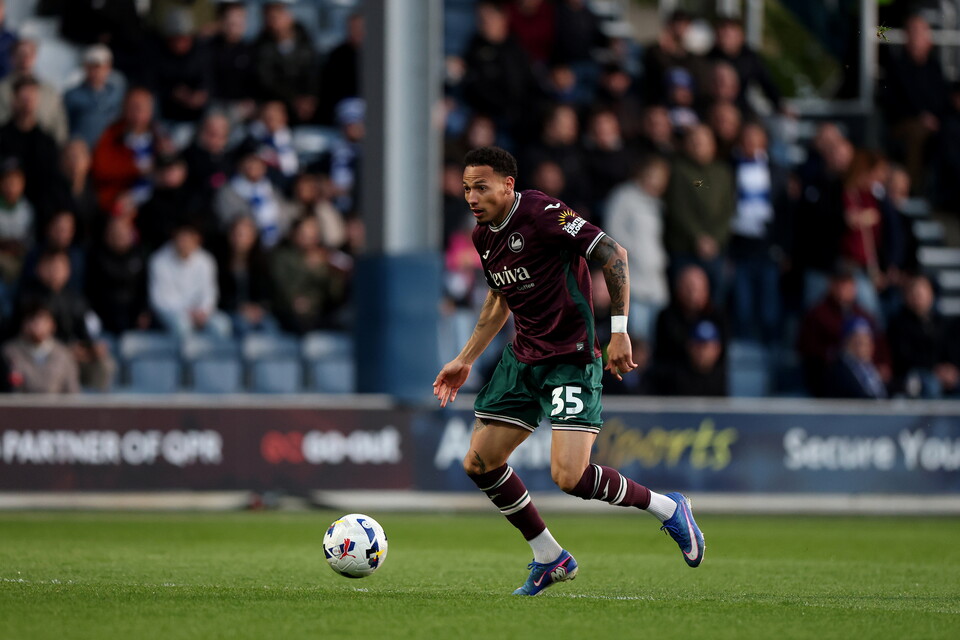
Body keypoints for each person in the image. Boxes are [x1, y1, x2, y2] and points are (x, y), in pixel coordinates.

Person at [433, 147, 704, 597]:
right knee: (479, 462)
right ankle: (549, 557)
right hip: (523, 359)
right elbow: (500, 296)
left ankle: (668, 507)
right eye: (465, 188)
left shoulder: (542, 212)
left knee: (570, 477)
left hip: (571, 357)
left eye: (481, 186)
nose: (471, 197)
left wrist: (619, 331)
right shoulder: (484, 236)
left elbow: (614, 254)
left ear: (508, 185)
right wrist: (466, 358)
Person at [148, 223, 231, 339]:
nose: (185, 243)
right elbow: (160, 299)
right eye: (181, 239)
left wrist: (203, 310)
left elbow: (210, 292)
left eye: (189, 239)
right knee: (182, 325)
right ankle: (186, 356)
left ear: (197, 240)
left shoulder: (206, 260)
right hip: (172, 312)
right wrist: (186, 312)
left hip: (199, 312)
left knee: (222, 324)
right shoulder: (159, 260)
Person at [2, 301, 80, 393]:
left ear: (52, 325)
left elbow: (72, 392)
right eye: (32, 319)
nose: (37, 325)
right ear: (23, 324)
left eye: (43, 320)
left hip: (55, 406)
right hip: (21, 406)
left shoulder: (64, 354)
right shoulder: (9, 352)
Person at [63, 45, 127, 149]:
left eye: (100, 67)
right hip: (83, 153)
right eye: (91, 67)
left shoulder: (117, 94)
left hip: (109, 152)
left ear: (108, 67)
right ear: (85, 67)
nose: (96, 72)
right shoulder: (72, 95)